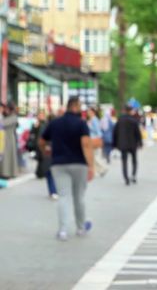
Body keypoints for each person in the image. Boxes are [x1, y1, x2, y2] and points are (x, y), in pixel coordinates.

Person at [39, 97, 95, 241]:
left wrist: (45, 150)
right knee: (79, 197)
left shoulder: (55, 123)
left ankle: (63, 230)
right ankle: (81, 227)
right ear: (75, 106)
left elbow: (41, 140)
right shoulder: (82, 124)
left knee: (63, 196)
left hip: (59, 163)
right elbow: (86, 144)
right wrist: (91, 166)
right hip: (79, 164)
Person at [113, 105, 142, 186]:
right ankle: (133, 175)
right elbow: (138, 133)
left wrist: (114, 144)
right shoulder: (134, 120)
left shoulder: (120, 120)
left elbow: (115, 132)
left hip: (123, 144)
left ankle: (126, 178)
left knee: (124, 161)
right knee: (134, 160)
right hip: (133, 143)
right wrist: (140, 142)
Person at [33, 112, 57, 199]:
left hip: (47, 151)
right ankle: (54, 191)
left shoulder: (45, 127)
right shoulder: (59, 128)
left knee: (49, 172)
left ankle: (52, 191)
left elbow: (41, 141)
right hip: (55, 152)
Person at [0, 103, 19, 179]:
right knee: (4, 157)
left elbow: (2, 124)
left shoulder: (13, 117)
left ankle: (7, 173)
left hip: (8, 140)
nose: (5, 110)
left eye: (6, 109)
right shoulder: (6, 117)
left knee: (7, 158)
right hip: (4, 139)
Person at [87, 107, 107, 177]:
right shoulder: (93, 119)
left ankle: (103, 168)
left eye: (89, 111)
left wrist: (99, 138)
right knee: (94, 156)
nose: (88, 113)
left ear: (93, 112)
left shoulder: (94, 120)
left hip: (94, 139)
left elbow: (98, 131)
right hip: (93, 139)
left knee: (95, 156)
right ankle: (99, 170)